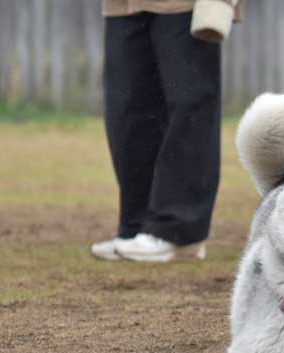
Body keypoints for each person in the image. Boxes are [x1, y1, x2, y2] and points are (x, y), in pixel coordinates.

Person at [92, 0, 244, 262]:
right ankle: (138, 226)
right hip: (123, 5)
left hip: (183, 5)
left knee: (189, 107)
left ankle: (180, 231)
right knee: (128, 111)